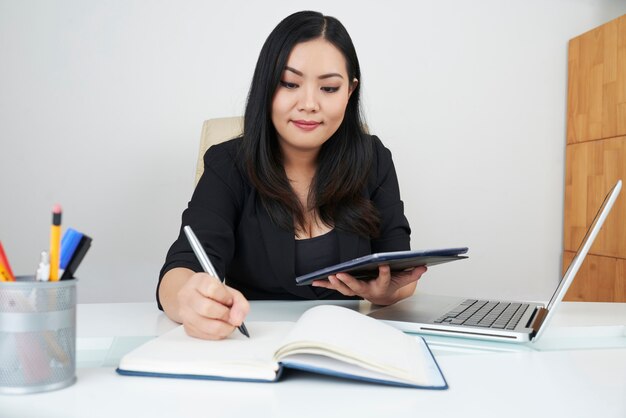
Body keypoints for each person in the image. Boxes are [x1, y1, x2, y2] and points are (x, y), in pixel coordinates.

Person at [157, 10, 427, 340]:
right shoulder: (228, 164)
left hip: (352, 344)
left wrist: (388, 293)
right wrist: (188, 301)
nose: (309, 103)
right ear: (266, 86)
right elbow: (180, 270)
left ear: (350, 92)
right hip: (254, 343)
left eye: (329, 88)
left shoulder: (373, 159)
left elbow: (401, 269)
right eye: (289, 83)